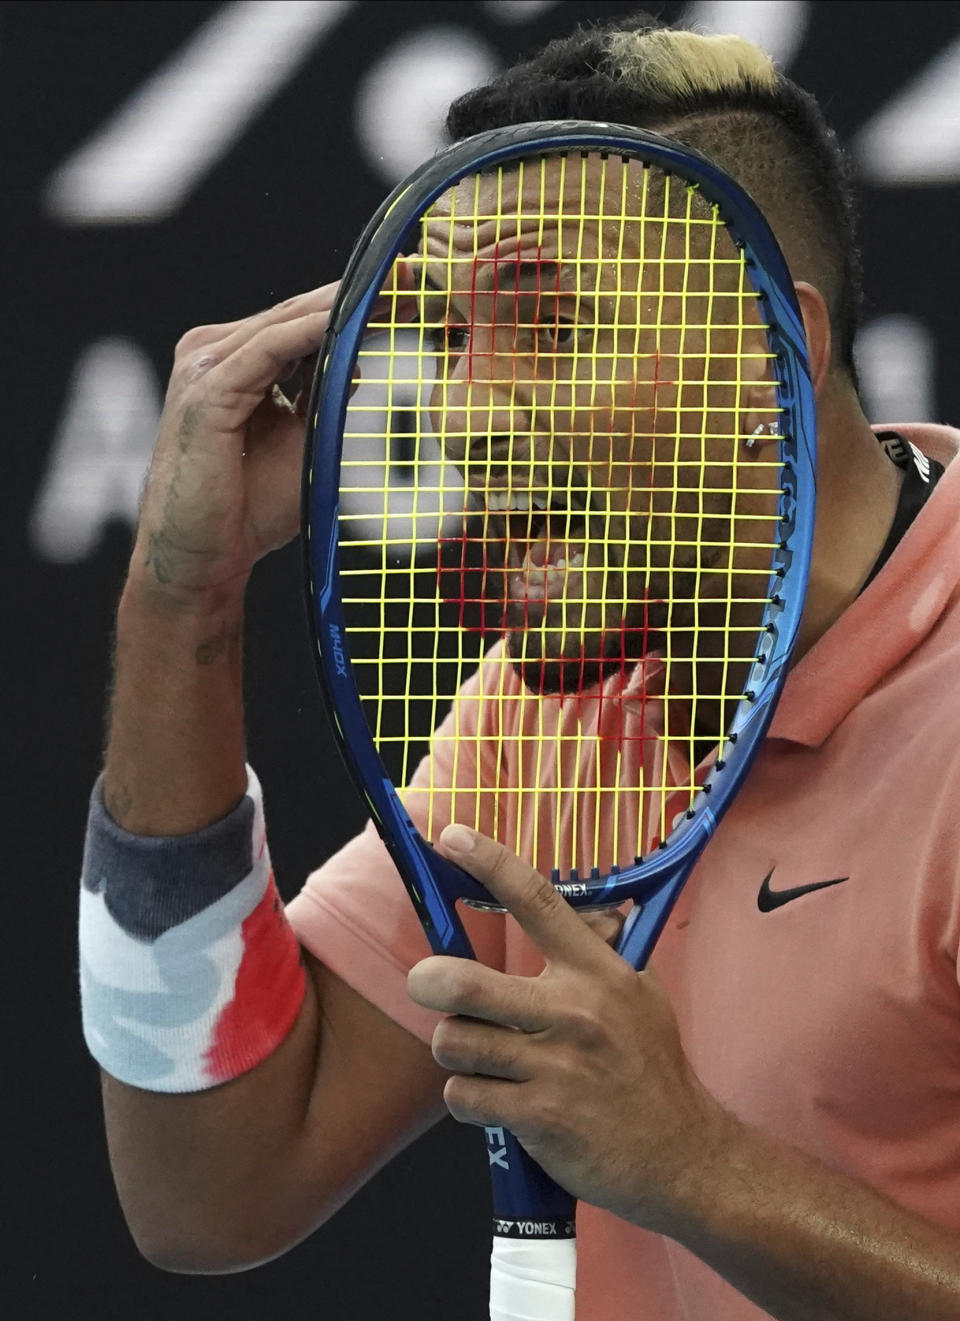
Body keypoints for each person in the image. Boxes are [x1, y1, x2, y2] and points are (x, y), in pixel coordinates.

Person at [79, 14, 960, 1320]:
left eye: (546, 325)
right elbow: (210, 1187)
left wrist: (695, 1165)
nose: (465, 417)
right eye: (445, 342)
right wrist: (179, 596)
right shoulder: (544, 715)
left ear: (776, 346)